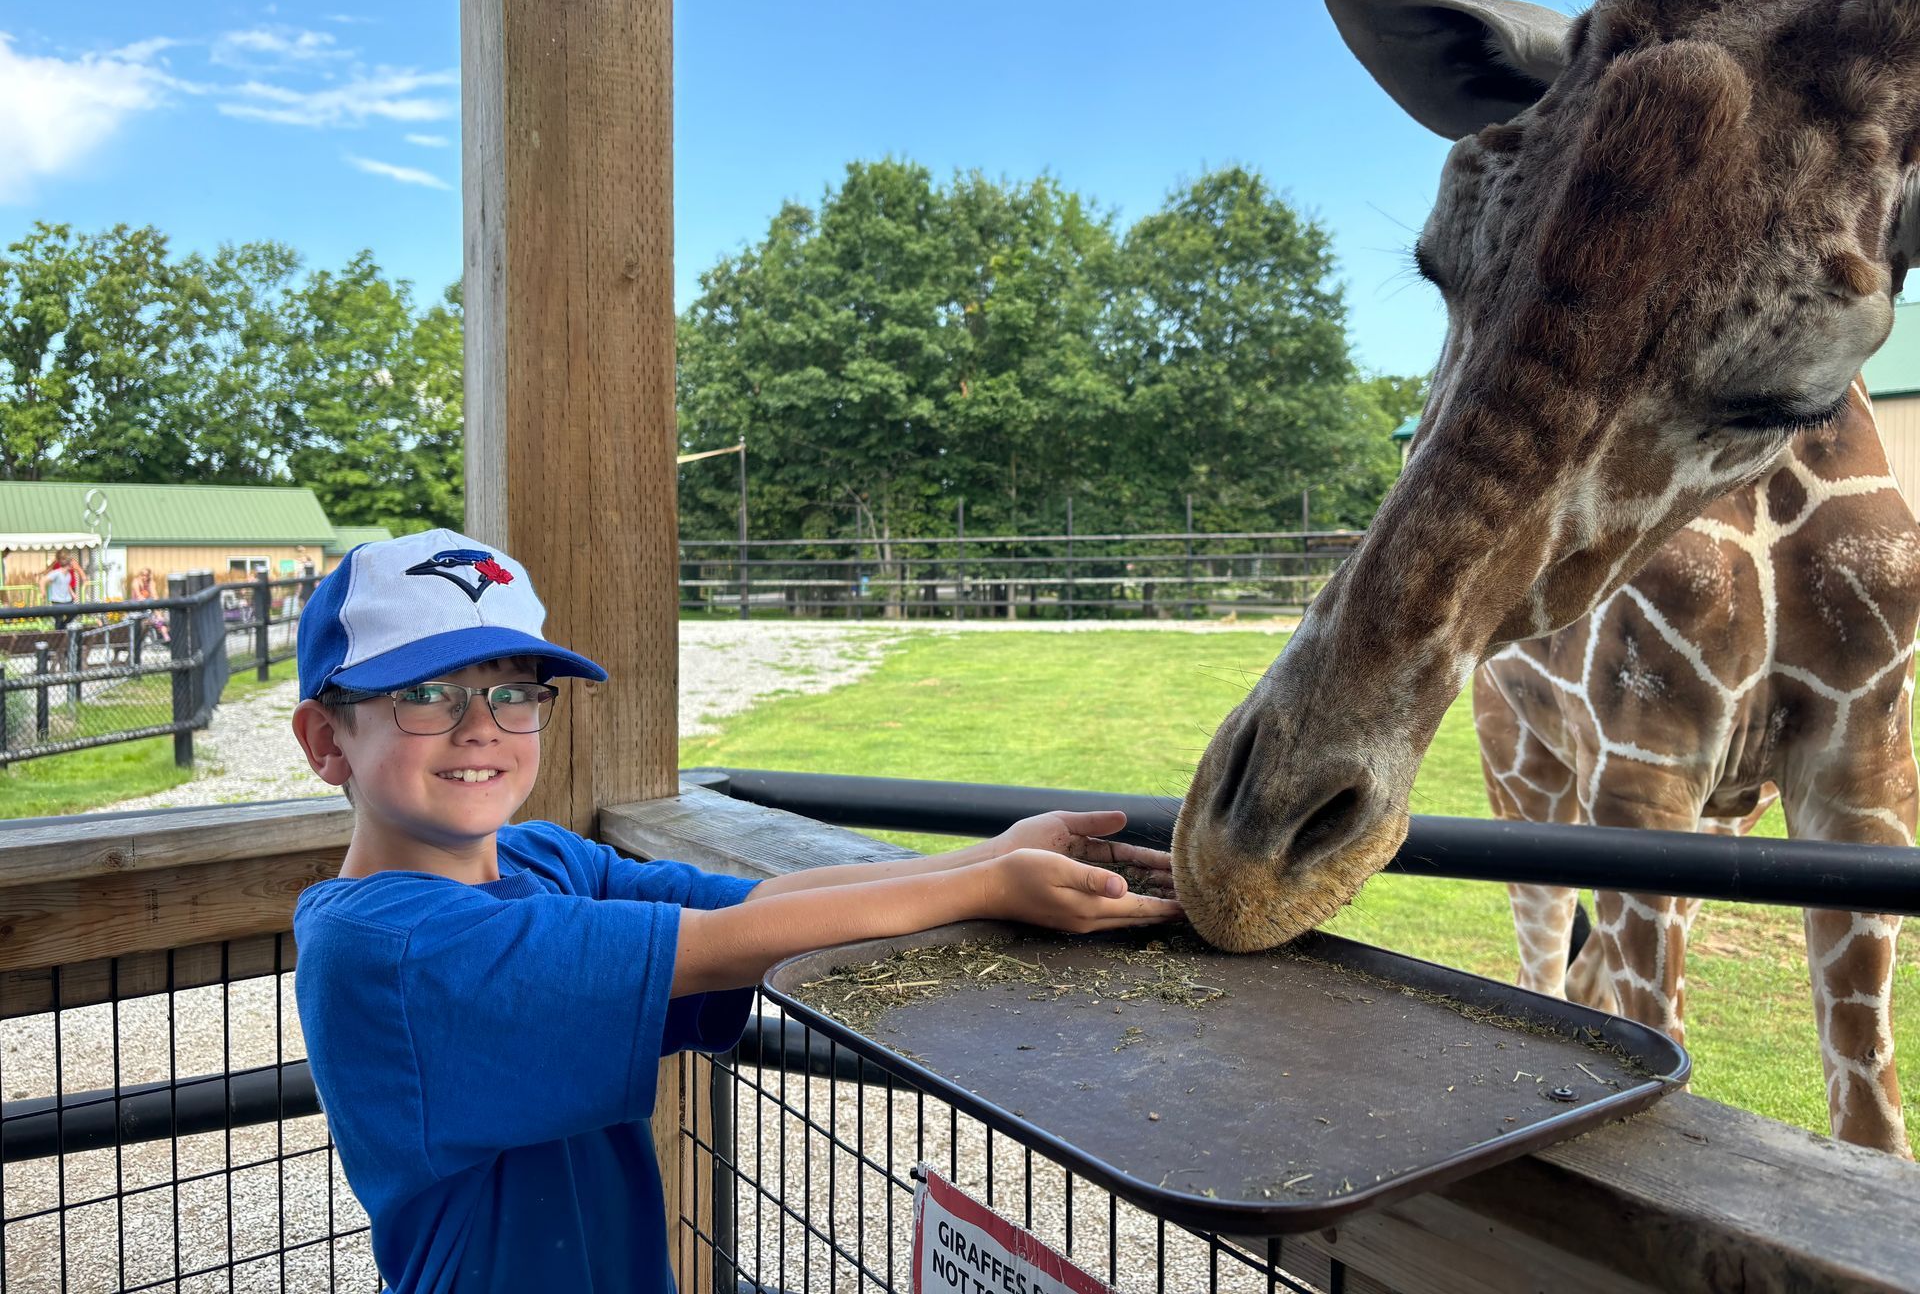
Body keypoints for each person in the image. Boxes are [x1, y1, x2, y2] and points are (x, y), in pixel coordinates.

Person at [288, 528, 1180, 1294]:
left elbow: (761, 900)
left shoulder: (537, 858)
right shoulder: (390, 946)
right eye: (425, 695)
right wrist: (988, 892)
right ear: (329, 742)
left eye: (513, 691)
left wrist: (986, 855)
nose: (480, 725)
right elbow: (723, 942)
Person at [41, 549, 78, 630]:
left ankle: (63, 627)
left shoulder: (68, 574)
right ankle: (59, 634)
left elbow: (67, 584)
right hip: (57, 601)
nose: (74, 565)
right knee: (59, 619)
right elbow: (43, 580)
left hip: (67, 601)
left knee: (75, 612)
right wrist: (43, 592)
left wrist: (72, 594)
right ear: (68, 564)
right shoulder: (56, 573)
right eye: (72, 563)